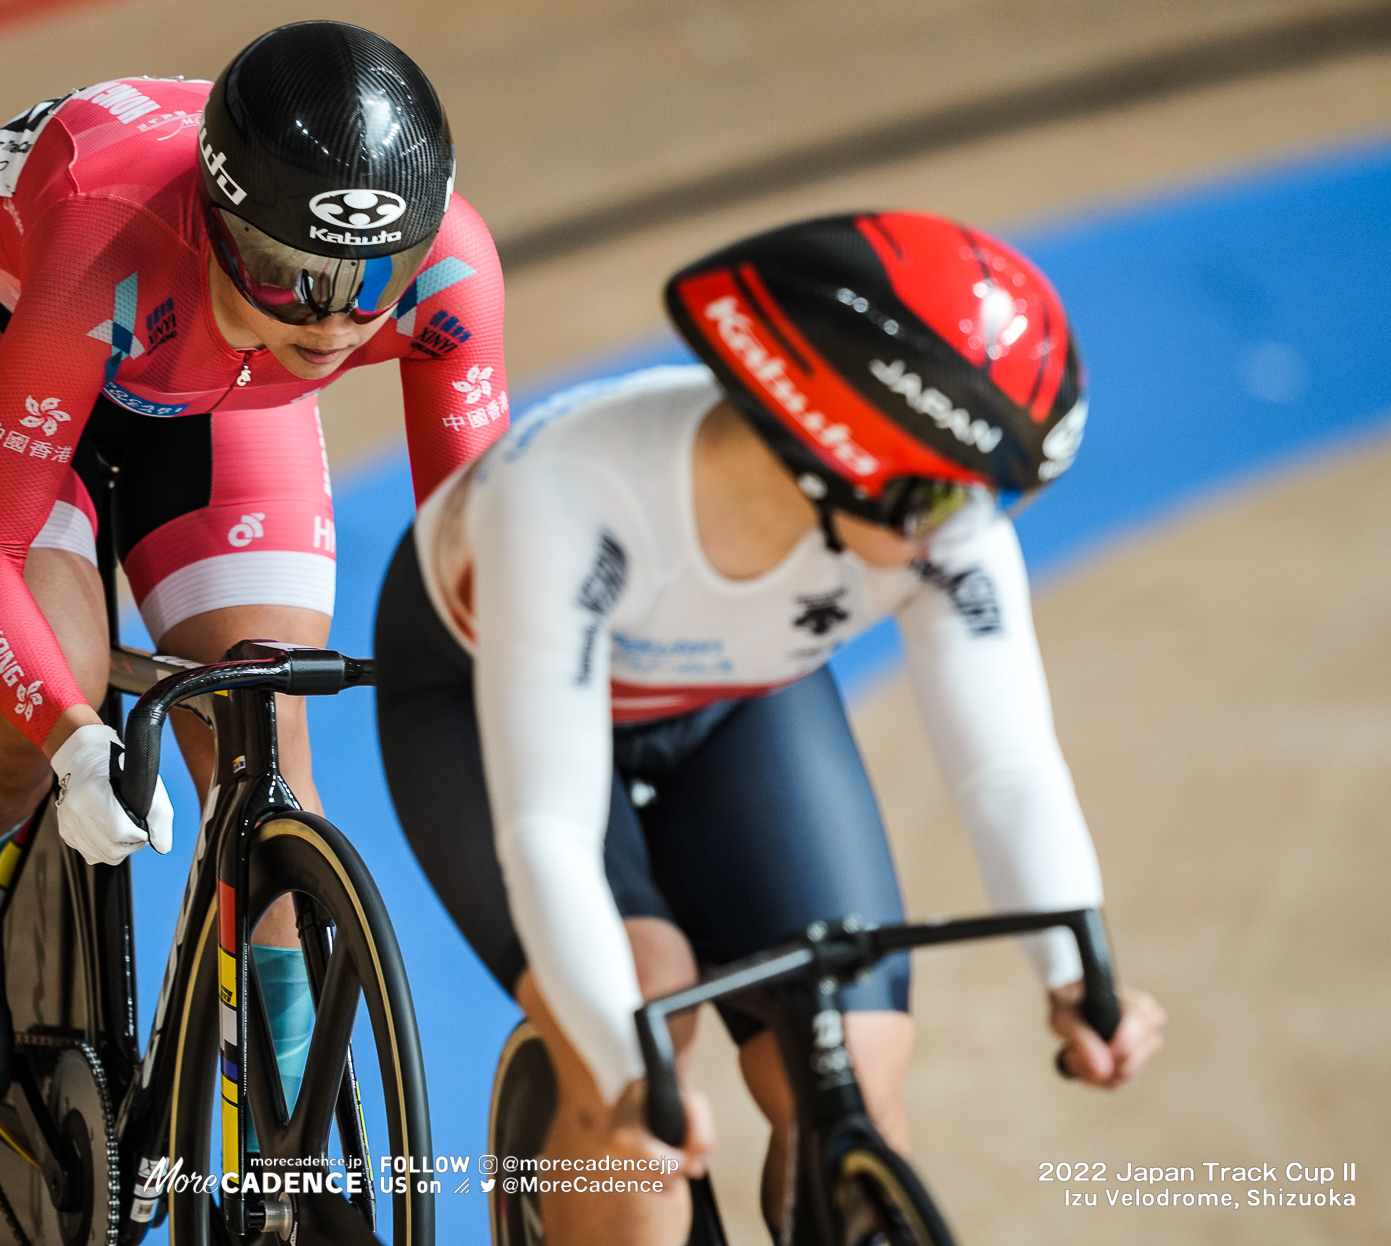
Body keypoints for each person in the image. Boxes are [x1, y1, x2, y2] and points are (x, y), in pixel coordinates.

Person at [373, 211, 1166, 1243]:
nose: (973, 534)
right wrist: (625, 1071)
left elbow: (1009, 765)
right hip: (484, 693)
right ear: (829, 448)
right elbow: (551, 834)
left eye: (1003, 497)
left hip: (734, 696)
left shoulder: (935, 516)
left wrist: (1078, 975)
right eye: (944, 498)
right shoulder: (572, 496)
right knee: (645, 1016)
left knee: (855, 1066)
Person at [0, 21, 508, 1107]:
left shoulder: (449, 269)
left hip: (217, 378)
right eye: (288, 274)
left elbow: (482, 554)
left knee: (268, 732)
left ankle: (288, 1113)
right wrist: (71, 738)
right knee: (49, 684)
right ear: (217, 226)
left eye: (371, 284)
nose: (332, 321)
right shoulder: (107, 233)